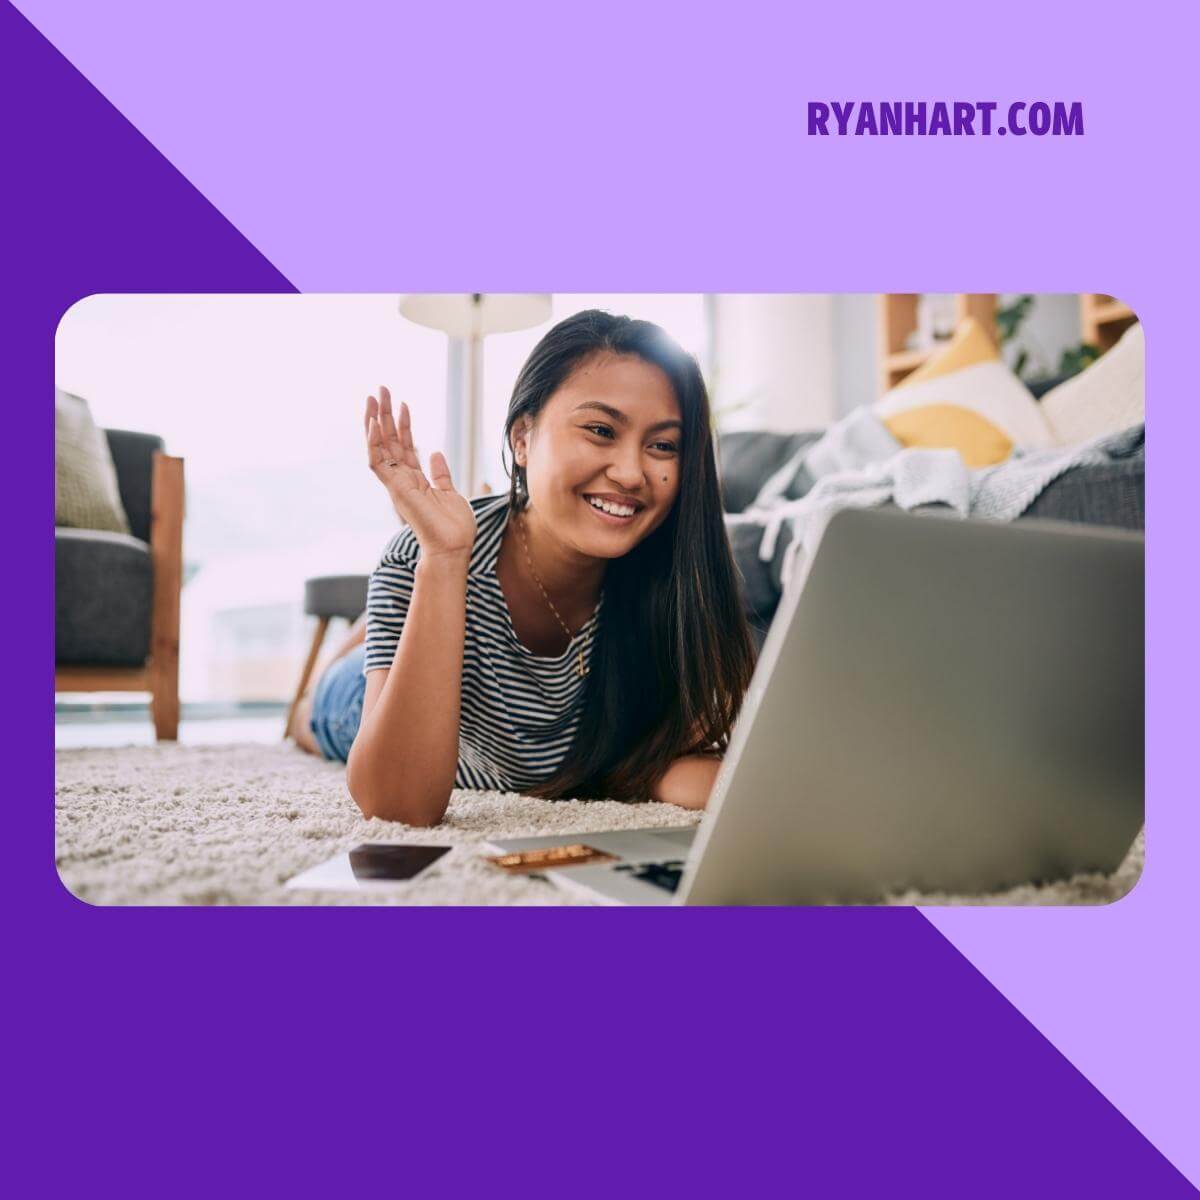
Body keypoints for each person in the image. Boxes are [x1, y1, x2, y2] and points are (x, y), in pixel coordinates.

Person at [287, 310, 756, 825]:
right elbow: (400, 805)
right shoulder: (427, 554)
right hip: (365, 695)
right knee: (319, 715)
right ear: (522, 437)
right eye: (600, 430)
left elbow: (668, 770)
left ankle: (375, 625)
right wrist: (442, 563)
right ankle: (344, 662)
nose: (630, 473)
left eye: (663, 445)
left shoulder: (678, 578)